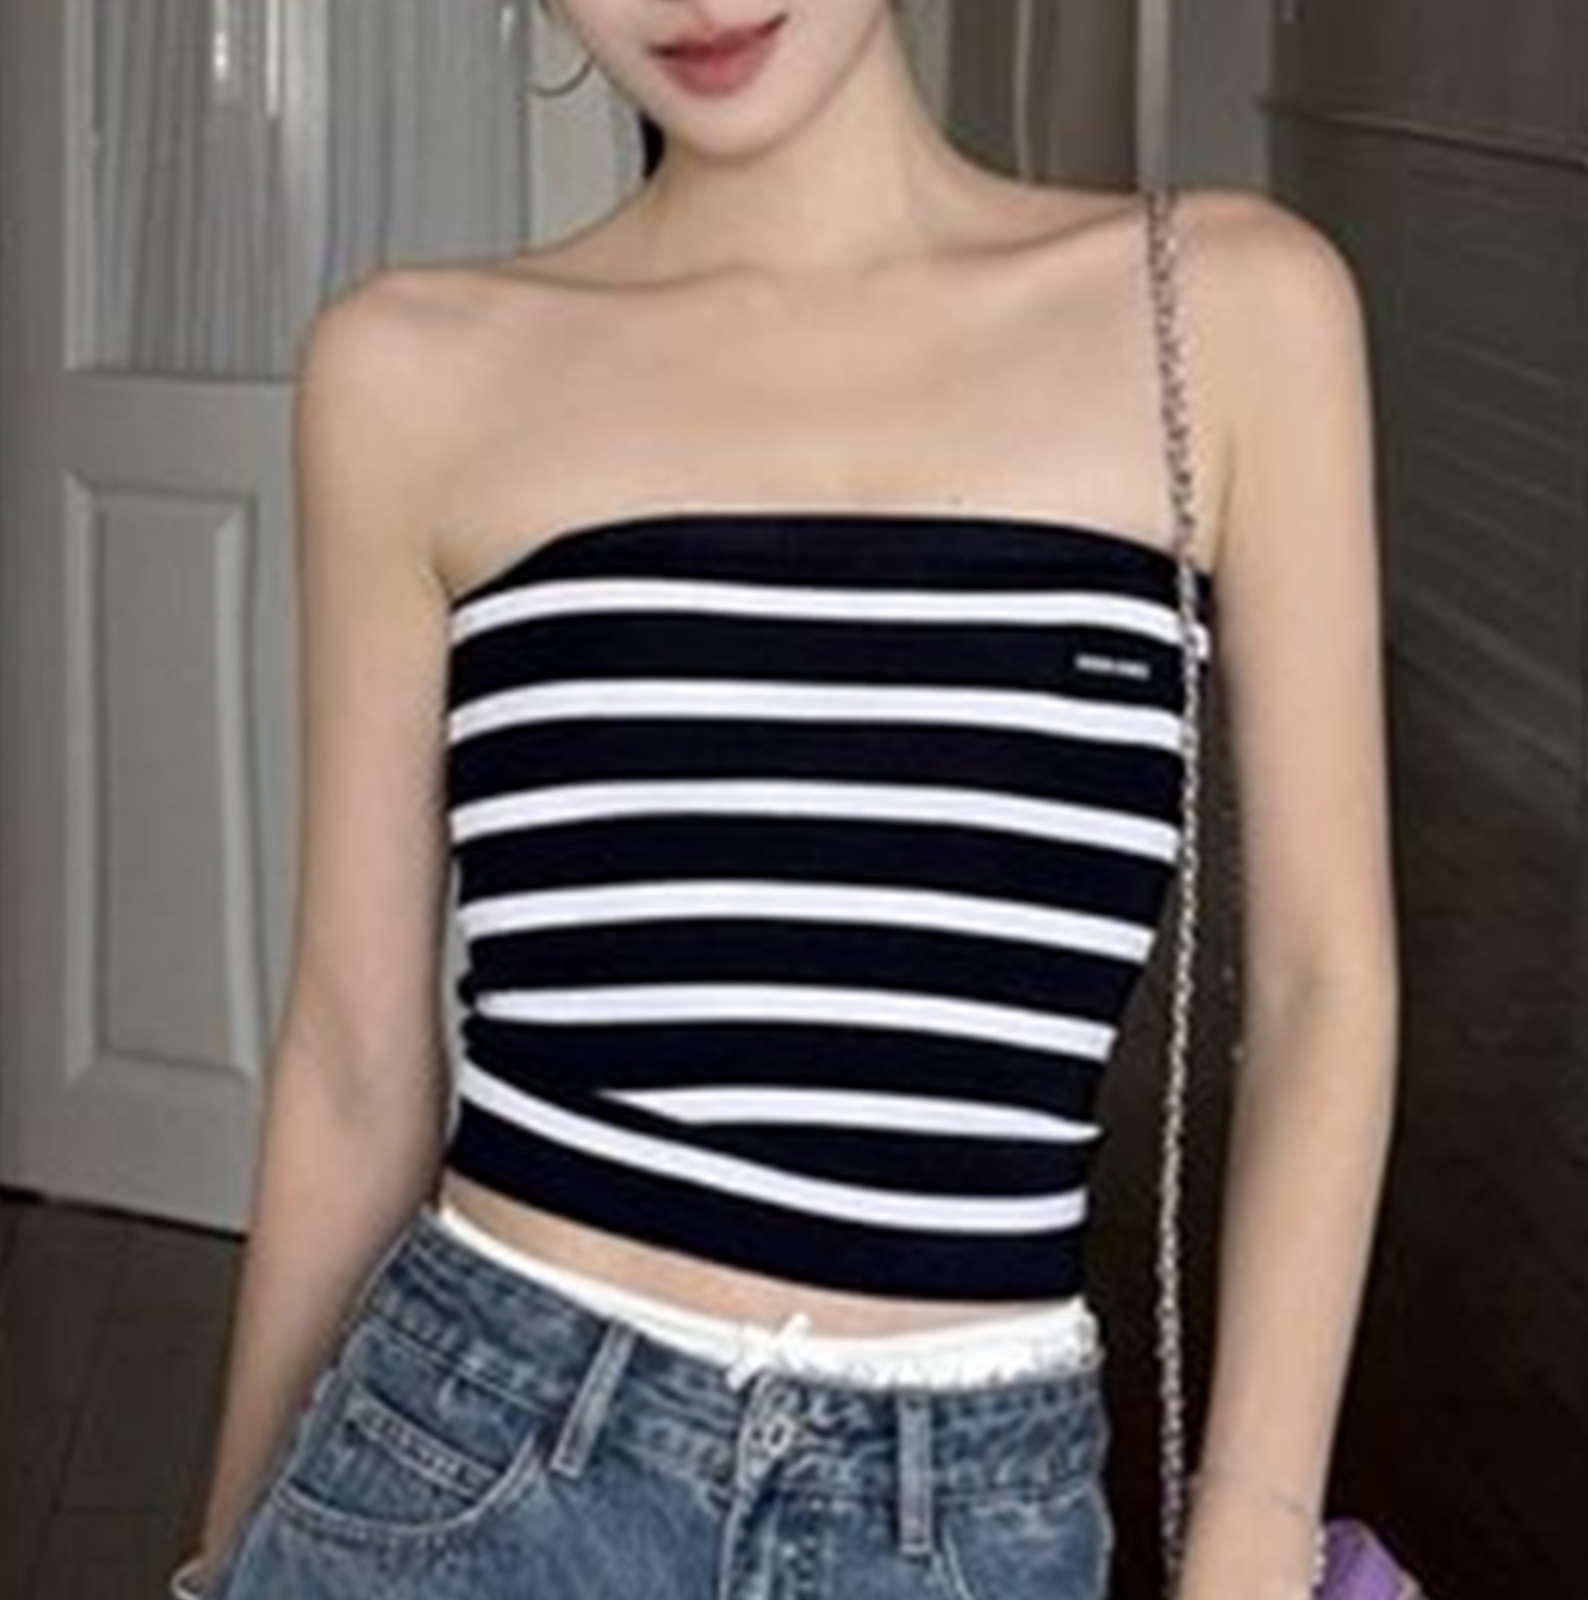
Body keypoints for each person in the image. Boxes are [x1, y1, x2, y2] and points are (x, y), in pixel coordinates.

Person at [177, 3, 1398, 1597]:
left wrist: (1253, 1523)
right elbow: (352, 1061)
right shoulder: (411, 369)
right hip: (468, 1467)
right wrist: (216, 1563)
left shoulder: (1228, 311)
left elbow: (1321, 986)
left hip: (969, 1513)